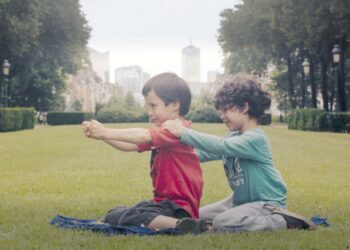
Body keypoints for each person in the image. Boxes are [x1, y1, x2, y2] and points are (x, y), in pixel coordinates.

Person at [162, 74, 316, 232]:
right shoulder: (233, 138)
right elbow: (200, 154)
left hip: (266, 203)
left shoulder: (256, 138)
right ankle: (233, 219)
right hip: (239, 201)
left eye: (227, 109)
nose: (223, 116)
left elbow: (222, 146)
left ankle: (283, 221)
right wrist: (167, 146)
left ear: (244, 107)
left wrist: (184, 133)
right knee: (195, 215)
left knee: (222, 222)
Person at [82, 73, 206, 234]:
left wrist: (105, 131)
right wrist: (102, 135)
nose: (149, 112)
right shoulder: (165, 132)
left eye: (153, 106)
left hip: (178, 207)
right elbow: (129, 145)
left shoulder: (177, 130)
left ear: (175, 104)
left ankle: (181, 225)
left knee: (128, 216)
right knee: (115, 213)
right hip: (164, 204)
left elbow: (142, 135)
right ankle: (178, 224)